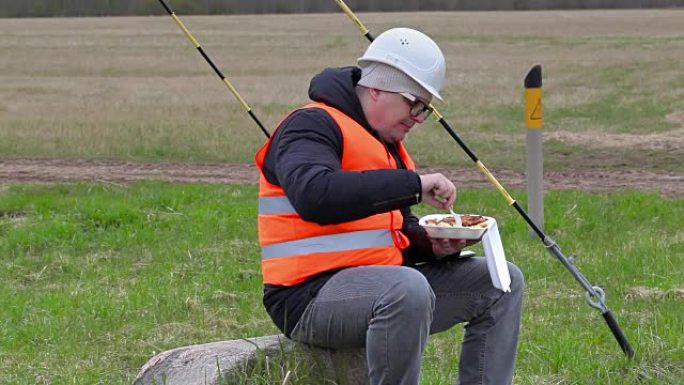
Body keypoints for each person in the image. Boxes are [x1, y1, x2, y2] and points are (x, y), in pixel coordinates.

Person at [255, 27, 524, 385]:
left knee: (501, 280)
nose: (418, 117)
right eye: (415, 104)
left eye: (425, 109)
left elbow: (392, 235)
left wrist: (433, 245)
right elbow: (315, 195)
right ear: (378, 88)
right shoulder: (310, 125)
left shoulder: (389, 145)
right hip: (307, 298)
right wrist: (413, 185)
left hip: (384, 286)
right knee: (406, 289)